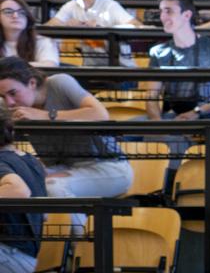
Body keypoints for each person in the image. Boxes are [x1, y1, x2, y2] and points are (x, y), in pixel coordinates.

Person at [0, 57, 132, 198]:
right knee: (18, 186)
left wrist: (45, 115)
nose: (9, 102)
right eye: (2, 96)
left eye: (13, 93)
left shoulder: (59, 82)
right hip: (63, 167)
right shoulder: (9, 106)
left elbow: (101, 114)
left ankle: (74, 221)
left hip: (108, 166)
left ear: (32, 83)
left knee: (52, 187)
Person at [145, 0, 210, 143]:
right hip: (175, 116)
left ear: (187, 15)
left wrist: (197, 112)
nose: (163, 17)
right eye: (161, 11)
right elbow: (151, 98)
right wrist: (160, 126)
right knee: (129, 130)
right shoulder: (159, 52)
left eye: (169, 12)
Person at [47, 0, 141, 67]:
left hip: (121, 71)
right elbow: (49, 26)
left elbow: (136, 26)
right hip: (90, 69)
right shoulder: (71, 6)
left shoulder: (109, 5)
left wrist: (100, 28)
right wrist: (66, 25)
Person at [0, 103, 45, 273]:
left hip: (12, 256)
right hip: (24, 256)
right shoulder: (30, 160)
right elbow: (45, 215)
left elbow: (18, 189)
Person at [0, 0, 59, 67]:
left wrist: (11, 66)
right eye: (8, 12)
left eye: (22, 12)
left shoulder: (42, 41)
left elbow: (50, 65)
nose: (15, 15)